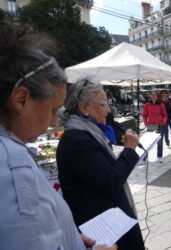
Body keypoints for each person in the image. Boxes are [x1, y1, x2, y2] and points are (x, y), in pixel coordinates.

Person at [0, 21, 115, 250]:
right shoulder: (14, 167)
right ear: (22, 99)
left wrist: (67, 237)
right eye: (53, 109)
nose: (54, 122)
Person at [57, 80, 145, 250]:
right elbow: (111, 181)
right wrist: (129, 150)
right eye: (103, 104)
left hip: (111, 224)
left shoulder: (90, 134)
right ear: (84, 108)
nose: (109, 110)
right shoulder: (77, 140)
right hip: (104, 232)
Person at [143, 91, 167, 163]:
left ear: (157, 97)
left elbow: (165, 115)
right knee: (148, 142)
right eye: (151, 95)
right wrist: (146, 123)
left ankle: (159, 157)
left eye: (154, 95)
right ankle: (144, 158)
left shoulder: (161, 104)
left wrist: (163, 122)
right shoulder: (147, 105)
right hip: (151, 125)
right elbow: (144, 115)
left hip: (160, 125)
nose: (152, 96)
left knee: (159, 142)